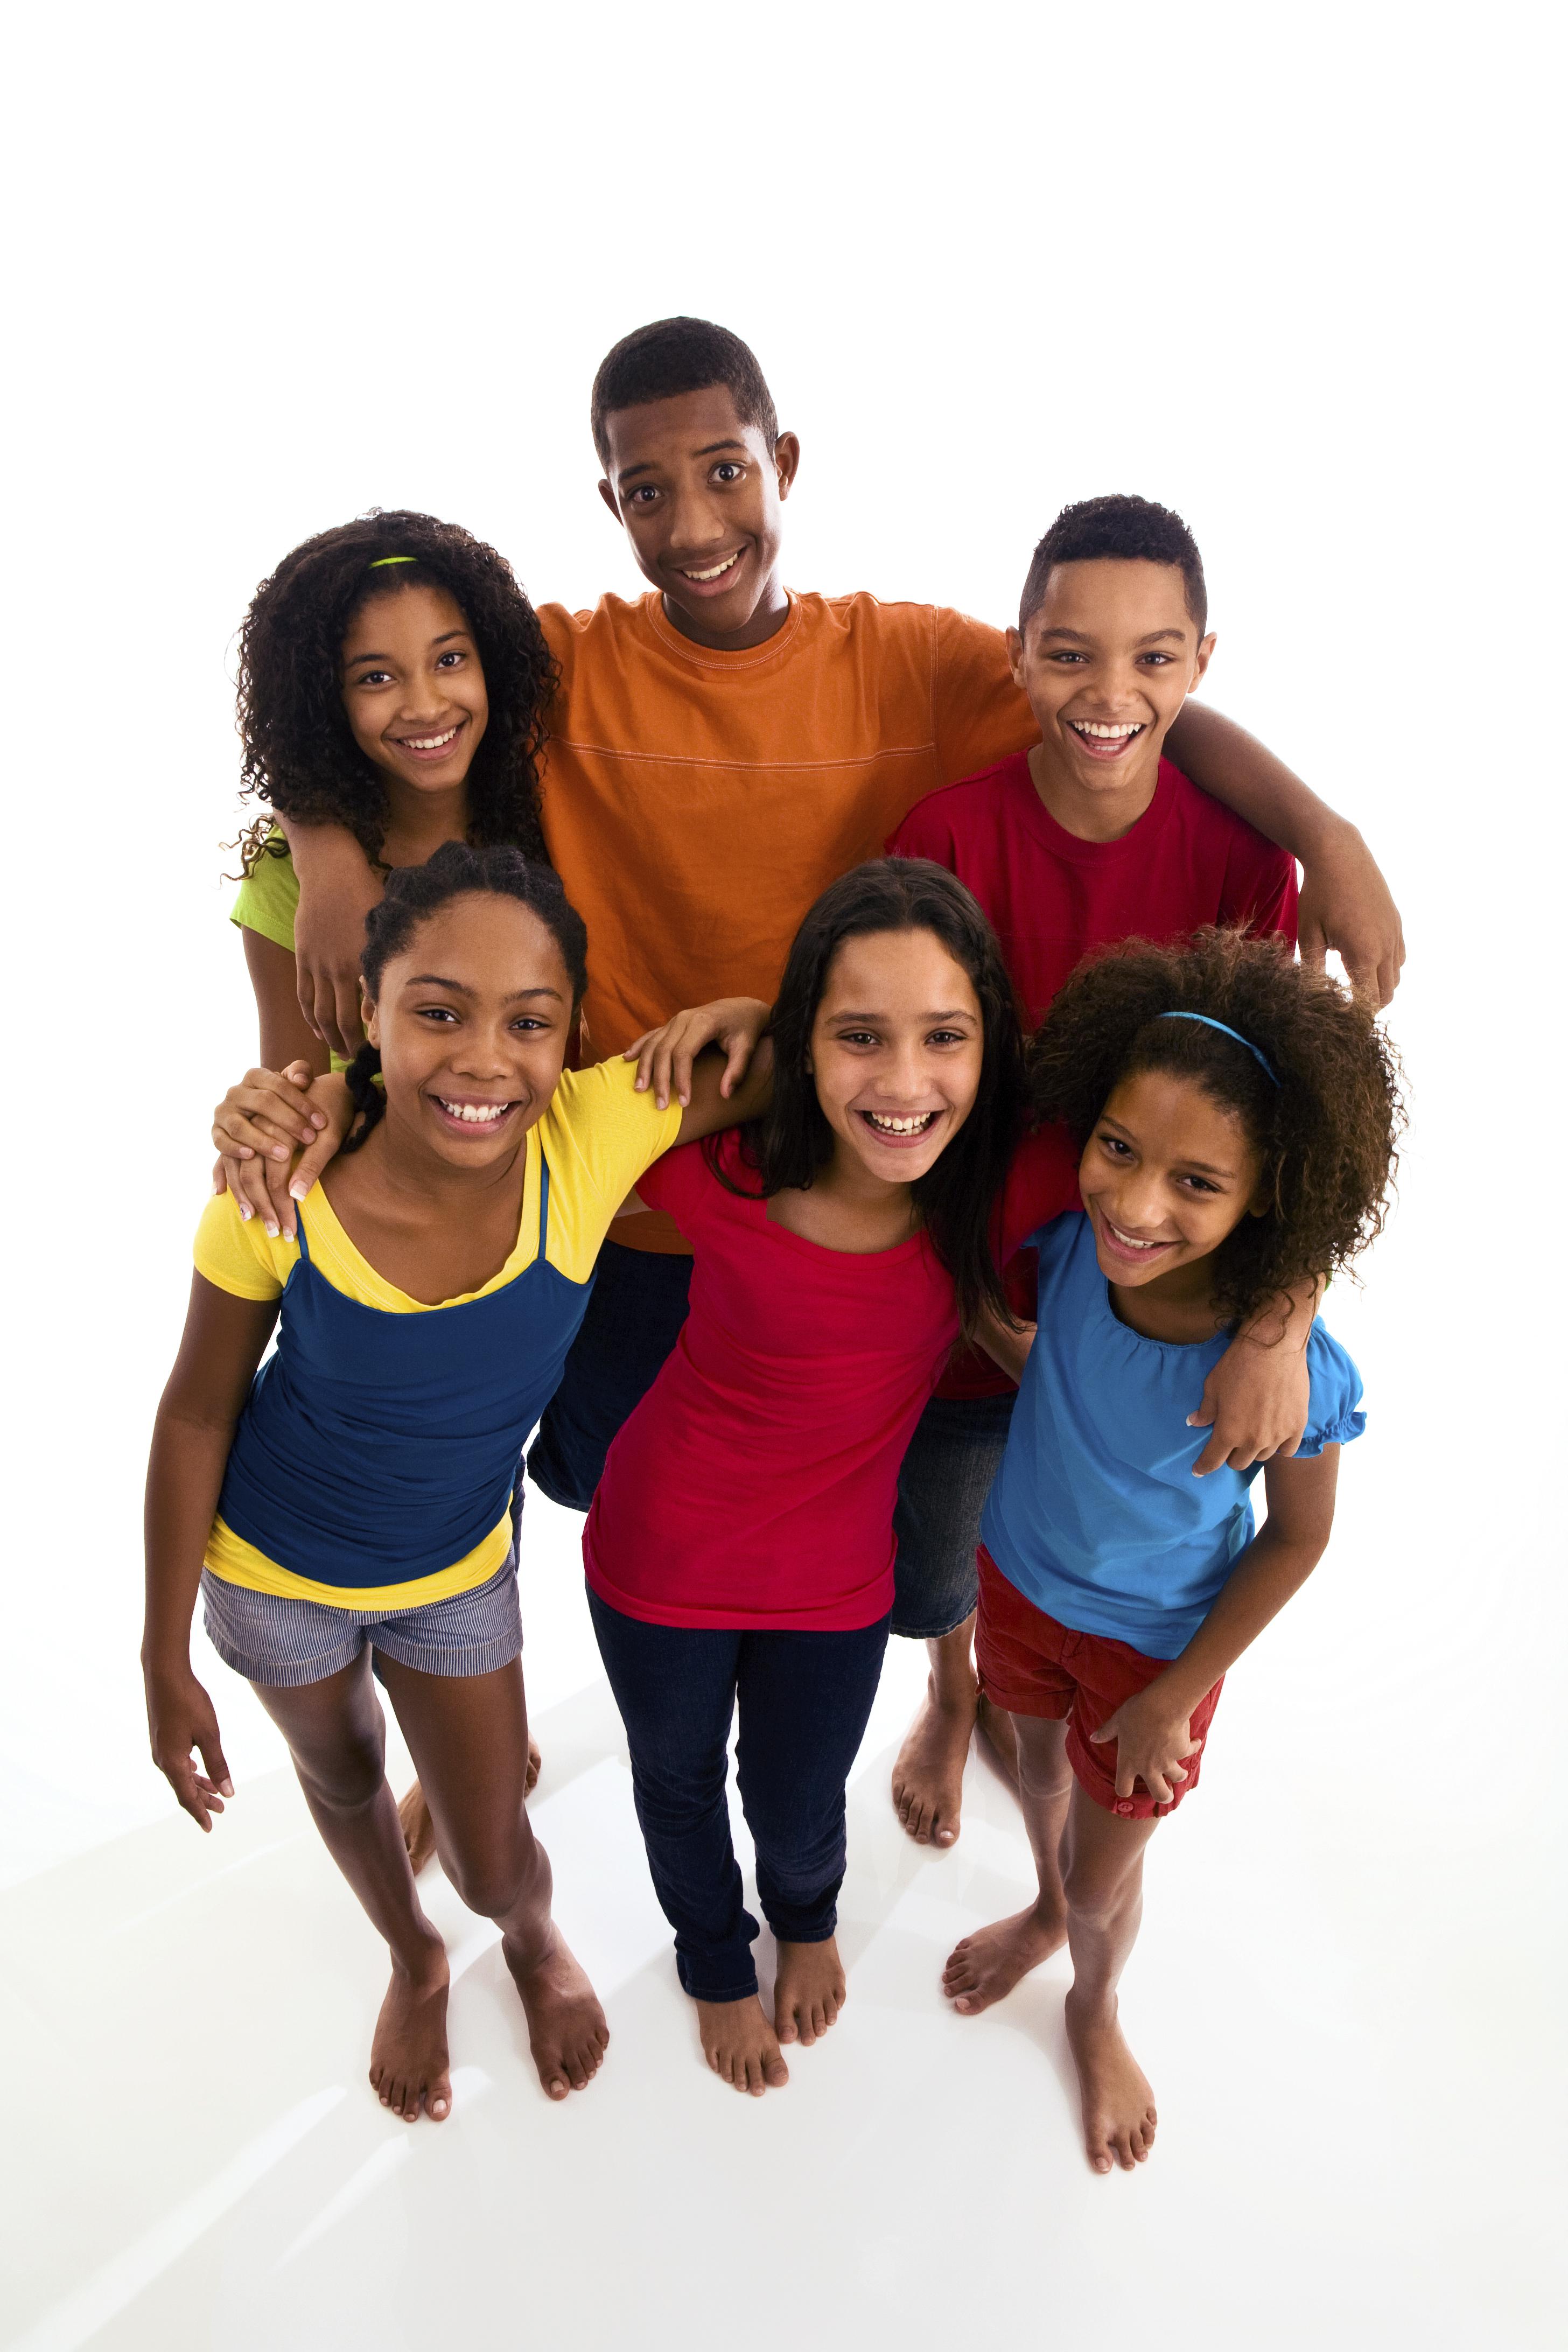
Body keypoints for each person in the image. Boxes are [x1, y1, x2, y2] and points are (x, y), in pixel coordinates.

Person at [270, 318, 1405, 1549]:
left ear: (785, 462)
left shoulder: (909, 662)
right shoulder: (561, 666)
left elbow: (1125, 708)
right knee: (599, 1472)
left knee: (878, 1512)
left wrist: (1325, 832)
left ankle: (932, 1675)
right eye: (648, 491)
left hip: (853, 1176)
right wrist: (322, 851)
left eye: (727, 471)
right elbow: (368, 685)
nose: (699, 527)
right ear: (609, 501)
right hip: (636, 1184)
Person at [144, 844, 765, 2123]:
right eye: (437, 1012)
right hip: (268, 1583)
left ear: (573, 1037)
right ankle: (413, 1958)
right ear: (366, 1014)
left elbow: (806, 1059)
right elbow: (199, 1409)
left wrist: (754, 1012)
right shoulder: (278, 1192)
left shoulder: (590, 1138)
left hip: (452, 1579)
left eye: (529, 1023)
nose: (484, 1059)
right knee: (341, 1780)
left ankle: (525, 1940)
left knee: (492, 1855)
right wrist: (164, 1658)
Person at [583, 861, 1081, 2096]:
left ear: (988, 1049)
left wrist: (1285, 1326)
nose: (905, 1083)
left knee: (801, 1797)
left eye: (943, 1040)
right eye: (859, 1037)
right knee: (679, 1782)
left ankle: (803, 1920)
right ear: (803, 1044)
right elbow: (538, 1127)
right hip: (661, 1558)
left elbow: (1205, 1172)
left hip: (835, 1585)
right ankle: (710, 1958)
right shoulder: (727, 1174)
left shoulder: (988, 1192)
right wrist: (734, 1046)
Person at [939, 928, 1402, 2176]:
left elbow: (1300, 1539)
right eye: (1122, 1152)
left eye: (1198, 1184)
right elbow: (1086, 1375)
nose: (1139, 1205)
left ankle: (1092, 1997)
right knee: (1034, 1776)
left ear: (1270, 1196)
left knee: (1106, 1879)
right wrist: (1003, 1338)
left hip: (1153, 1652)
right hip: (1019, 1582)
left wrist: (1173, 1698)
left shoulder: (1288, 1364)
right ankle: (1043, 1907)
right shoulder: (1074, 1249)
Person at [885, 492, 1304, 1849]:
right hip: (975, 1308)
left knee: (1098, 1558)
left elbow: (1281, 1119)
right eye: (1070, 652)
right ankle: (952, 1700)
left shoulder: (1243, 863)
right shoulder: (948, 836)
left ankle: (1031, 1738)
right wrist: (955, 1295)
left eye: (1152, 658)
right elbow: (898, 1101)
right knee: (942, 1562)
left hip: (1142, 1320)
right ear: (1018, 653)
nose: (1109, 693)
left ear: (1201, 662)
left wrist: (1281, 1321)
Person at [229, 512, 557, 1072]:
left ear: (492, 665)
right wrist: (325, 864)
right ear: (325, 703)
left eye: (450, 660)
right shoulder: (285, 883)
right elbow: (291, 1115)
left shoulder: (552, 819)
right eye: (375, 678)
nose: (426, 707)